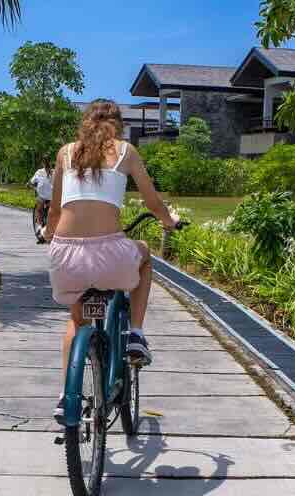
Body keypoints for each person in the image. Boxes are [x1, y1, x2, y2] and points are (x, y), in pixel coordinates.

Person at [42, 99, 179, 420]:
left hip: (66, 257)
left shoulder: (65, 153)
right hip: (110, 257)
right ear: (119, 125)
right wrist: (168, 221)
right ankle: (136, 333)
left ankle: (66, 397)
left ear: (85, 123)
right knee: (144, 256)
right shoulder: (126, 152)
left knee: (76, 322)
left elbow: (55, 210)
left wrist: (50, 235)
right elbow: (153, 201)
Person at [28, 158, 52, 243]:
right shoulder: (40, 172)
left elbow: (31, 182)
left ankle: (42, 228)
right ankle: (41, 227)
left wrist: (30, 185)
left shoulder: (51, 172)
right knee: (41, 209)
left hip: (47, 197)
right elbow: (31, 182)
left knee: (43, 210)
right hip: (47, 196)